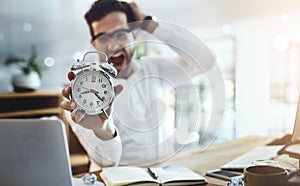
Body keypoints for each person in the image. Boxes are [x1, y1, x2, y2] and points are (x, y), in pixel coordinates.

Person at [60, 0, 217, 170]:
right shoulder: (82, 94)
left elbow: (206, 59)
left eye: (120, 34)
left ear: (134, 35)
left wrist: (148, 23)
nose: (113, 46)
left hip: (165, 173)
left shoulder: (153, 69)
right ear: (94, 43)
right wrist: (103, 129)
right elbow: (108, 162)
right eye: (104, 37)